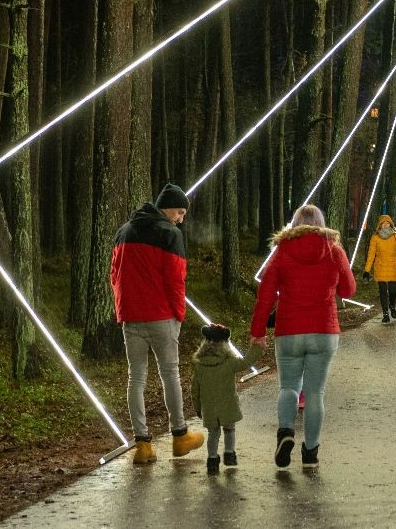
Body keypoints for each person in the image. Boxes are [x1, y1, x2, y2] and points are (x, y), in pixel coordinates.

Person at [250, 204, 356, 470]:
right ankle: (310, 453)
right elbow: (349, 289)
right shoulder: (334, 250)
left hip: (289, 331)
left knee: (288, 387)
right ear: (322, 222)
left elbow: (265, 296)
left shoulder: (282, 251)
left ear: (294, 223)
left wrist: (258, 332)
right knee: (315, 392)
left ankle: (285, 433)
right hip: (324, 330)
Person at [110, 183, 206, 463]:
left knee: (135, 377)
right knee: (170, 374)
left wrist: (122, 308)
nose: (181, 219)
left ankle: (142, 445)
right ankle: (179, 436)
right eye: (179, 212)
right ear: (167, 209)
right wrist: (179, 314)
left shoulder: (124, 230)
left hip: (131, 316)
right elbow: (176, 279)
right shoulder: (170, 234)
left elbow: (114, 274)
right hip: (162, 316)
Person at [192, 324, 266, 475]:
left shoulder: (200, 366)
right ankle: (229, 454)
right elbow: (246, 362)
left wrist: (198, 408)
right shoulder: (228, 363)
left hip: (209, 408)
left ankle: (212, 460)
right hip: (227, 406)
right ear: (225, 344)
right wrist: (257, 347)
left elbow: (195, 390)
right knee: (229, 429)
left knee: (213, 434)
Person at [363, 214, 396, 323]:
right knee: (382, 292)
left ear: (391, 224)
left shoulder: (395, 236)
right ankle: (385, 313)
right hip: (380, 266)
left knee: (392, 291)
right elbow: (371, 255)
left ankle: (392, 305)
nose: (386, 225)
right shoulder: (375, 237)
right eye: (384, 223)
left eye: (388, 223)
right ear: (380, 225)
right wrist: (367, 270)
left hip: (393, 266)